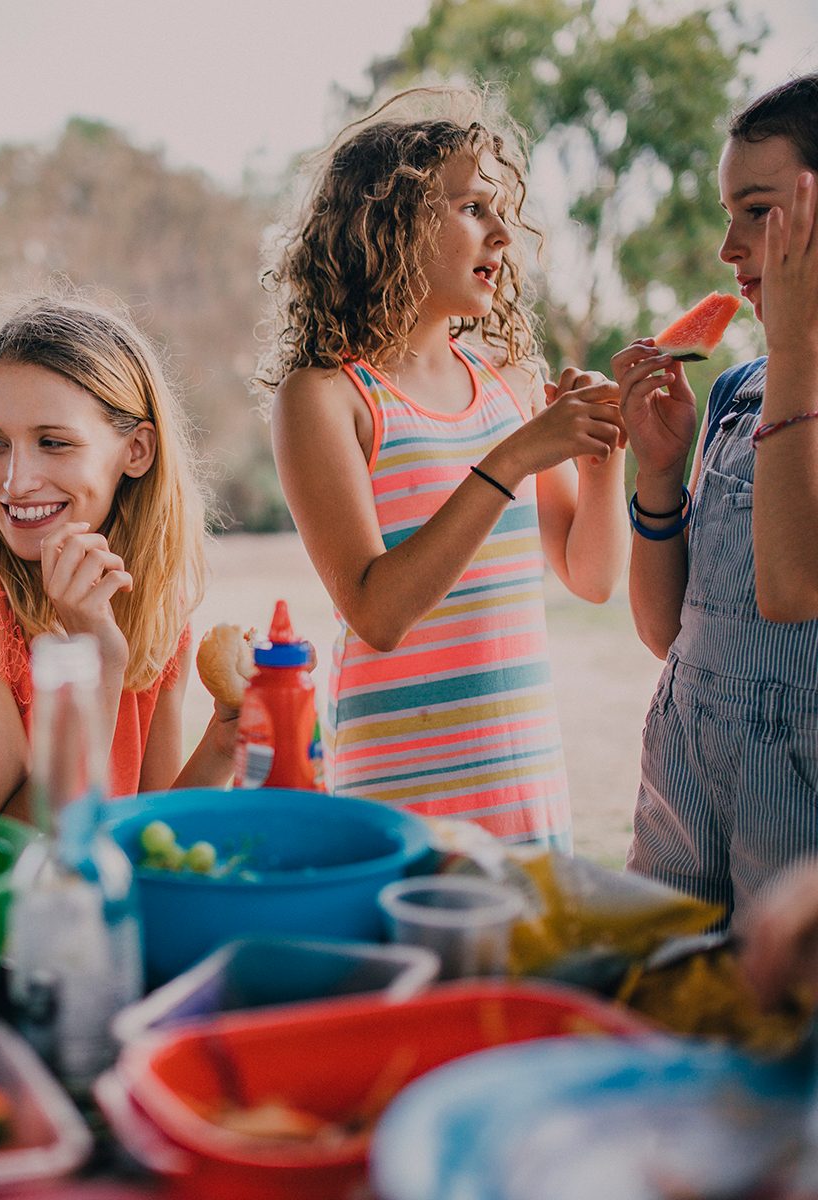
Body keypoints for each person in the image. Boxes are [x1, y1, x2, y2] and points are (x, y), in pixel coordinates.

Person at [259, 87, 628, 849]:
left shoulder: (511, 381)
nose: (502, 233)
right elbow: (378, 613)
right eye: (471, 209)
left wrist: (602, 459)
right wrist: (518, 453)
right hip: (402, 804)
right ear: (389, 225)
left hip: (525, 789)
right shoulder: (325, 396)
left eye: (502, 211)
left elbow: (591, 578)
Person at [0, 294, 236, 819]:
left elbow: (148, 830)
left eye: (53, 442)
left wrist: (226, 739)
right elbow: (12, 852)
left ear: (136, 451)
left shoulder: (158, 595)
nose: (15, 482)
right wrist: (96, 662)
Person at [614, 73, 818, 928]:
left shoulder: (786, 379)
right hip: (684, 775)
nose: (728, 249)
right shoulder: (739, 391)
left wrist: (796, 345)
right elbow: (666, 632)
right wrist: (657, 476)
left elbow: (790, 589)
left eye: (757, 210)